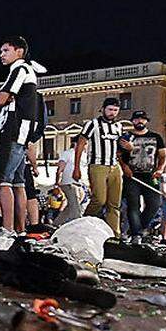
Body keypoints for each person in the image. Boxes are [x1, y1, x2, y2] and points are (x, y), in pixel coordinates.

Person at [0, 37, 45, 233]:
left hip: (14, 130)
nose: (1, 54)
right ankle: (20, 228)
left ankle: (7, 228)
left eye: (6, 50)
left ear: (19, 51)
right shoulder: (29, 71)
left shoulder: (19, 70)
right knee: (18, 182)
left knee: (4, 181)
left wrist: (2, 98)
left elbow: (0, 98)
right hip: (23, 133)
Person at [74, 97, 125, 237]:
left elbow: (119, 149)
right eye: (110, 109)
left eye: (115, 110)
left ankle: (114, 236)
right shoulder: (93, 124)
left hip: (115, 166)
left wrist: (124, 160)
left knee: (114, 203)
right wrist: (76, 167)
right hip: (97, 165)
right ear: (103, 109)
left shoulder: (119, 126)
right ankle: (83, 225)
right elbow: (80, 144)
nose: (112, 113)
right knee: (99, 199)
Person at [120, 110, 166, 241]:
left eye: (142, 119)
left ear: (146, 121)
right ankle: (136, 234)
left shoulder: (156, 137)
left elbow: (163, 155)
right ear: (132, 121)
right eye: (136, 119)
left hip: (150, 176)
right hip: (132, 176)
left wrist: (160, 169)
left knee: (155, 203)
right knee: (133, 205)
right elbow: (119, 155)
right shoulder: (126, 137)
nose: (139, 121)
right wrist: (125, 167)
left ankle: (138, 228)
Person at [53, 146, 82, 226]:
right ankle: (77, 226)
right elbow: (59, 169)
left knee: (70, 207)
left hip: (78, 185)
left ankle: (56, 224)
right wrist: (56, 184)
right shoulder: (68, 153)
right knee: (75, 207)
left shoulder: (83, 154)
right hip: (68, 183)